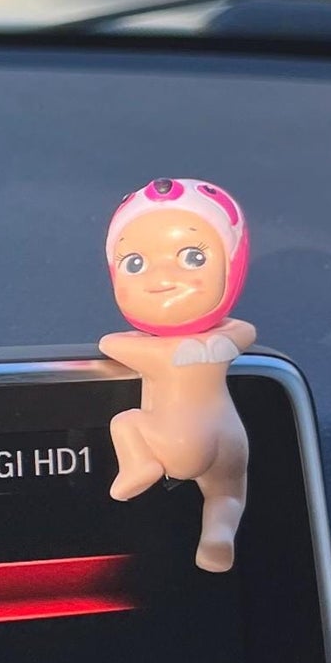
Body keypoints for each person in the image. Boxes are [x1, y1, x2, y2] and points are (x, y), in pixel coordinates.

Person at [100, 178, 254, 573]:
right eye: (135, 264)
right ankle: (217, 535)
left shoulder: (159, 354)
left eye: (193, 257)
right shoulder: (227, 341)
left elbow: (110, 344)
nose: (162, 278)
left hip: (182, 442)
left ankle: (140, 465)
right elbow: (244, 330)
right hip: (232, 437)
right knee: (227, 494)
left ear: (232, 264)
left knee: (125, 422)